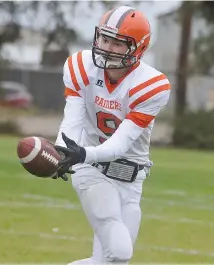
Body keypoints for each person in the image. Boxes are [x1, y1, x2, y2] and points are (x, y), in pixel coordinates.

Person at [53, 5, 171, 264]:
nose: (108, 48)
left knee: (113, 261)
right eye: (105, 39)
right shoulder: (80, 66)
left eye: (118, 44)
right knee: (119, 251)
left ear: (138, 48)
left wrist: (83, 153)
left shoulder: (151, 85)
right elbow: (71, 121)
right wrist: (62, 149)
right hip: (91, 170)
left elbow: (120, 144)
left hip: (131, 178)